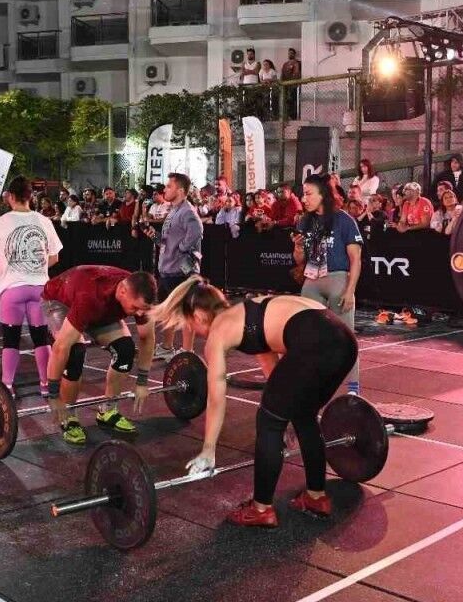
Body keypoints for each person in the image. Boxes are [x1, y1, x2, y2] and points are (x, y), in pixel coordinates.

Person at [155, 276, 357, 527]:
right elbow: (275, 373)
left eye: (190, 324)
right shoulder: (249, 311)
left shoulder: (219, 331)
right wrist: (286, 412)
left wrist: (208, 449)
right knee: (303, 415)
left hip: (316, 342)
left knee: (268, 421)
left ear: (198, 315)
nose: (194, 331)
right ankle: (317, 497)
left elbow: (216, 398)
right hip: (344, 342)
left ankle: (261, 509)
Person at [42, 265, 159, 444]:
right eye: (136, 308)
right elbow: (60, 348)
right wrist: (53, 395)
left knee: (125, 349)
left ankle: (108, 411)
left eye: (143, 309)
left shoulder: (138, 293)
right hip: (60, 301)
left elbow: (147, 338)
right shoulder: (89, 296)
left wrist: (142, 381)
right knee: (74, 352)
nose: (140, 313)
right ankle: (68, 416)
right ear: (122, 291)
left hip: (101, 309)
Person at [0, 177, 63, 397]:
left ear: (10, 197)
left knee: (11, 339)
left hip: (12, 290)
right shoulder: (44, 221)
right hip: (40, 289)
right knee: (41, 338)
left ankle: (7, 386)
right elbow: (54, 258)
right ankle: (46, 384)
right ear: (30, 196)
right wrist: (33, 265)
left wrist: (7, 265)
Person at [292, 174, 362, 395]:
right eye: (303, 194)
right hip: (311, 280)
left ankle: (353, 390)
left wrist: (350, 291)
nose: (304, 199)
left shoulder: (344, 220)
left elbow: (356, 259)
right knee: (308, 337)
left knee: (346, 339)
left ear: (323, 194)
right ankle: (311, 386)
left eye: (308, 194)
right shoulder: (305, 221)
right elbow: (299, 260)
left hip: (337, 279)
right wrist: (298, 248)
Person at [147, 172, 203, 359]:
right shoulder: (173, 210)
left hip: (182, 272)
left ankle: (187, 350)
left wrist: (181, 248)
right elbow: (168, 240)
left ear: (180, 190)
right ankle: (167, 347)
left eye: (169, 186)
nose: (165, 189)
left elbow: (197, 231)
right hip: (168, 270)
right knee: (168, 310)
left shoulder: (187, 211)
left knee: (187, 312)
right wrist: (156, 237)